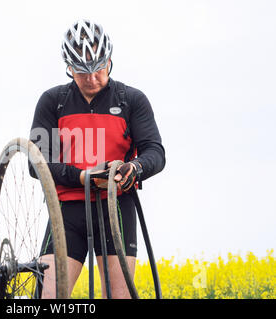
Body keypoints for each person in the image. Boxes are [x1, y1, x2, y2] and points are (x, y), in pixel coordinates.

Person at [29, 19, 165, 298]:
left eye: (98, 69)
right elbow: (36, 162)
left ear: (110, 61)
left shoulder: (132, 100)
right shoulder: (52, 101)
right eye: (81, 72)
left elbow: (155, 152)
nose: (92, 79)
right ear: (68, 67)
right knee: (47, 298)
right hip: (66, 211)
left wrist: (134, 168)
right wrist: (82, 176)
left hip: (116, 206)